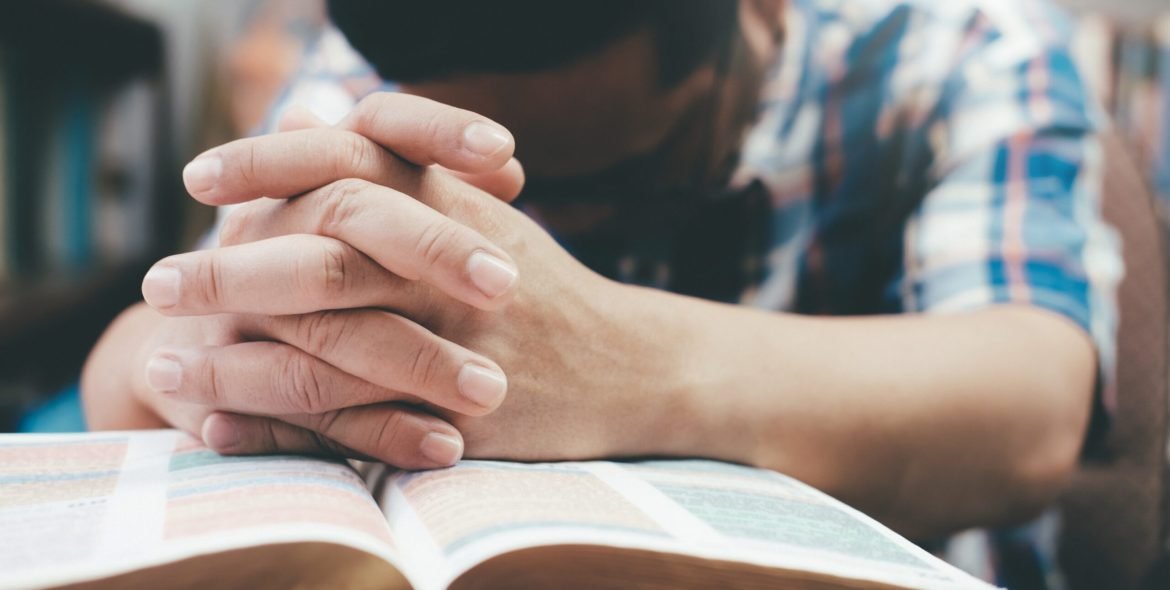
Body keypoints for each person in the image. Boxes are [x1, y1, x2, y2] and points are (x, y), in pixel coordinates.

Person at [82, 0, 1121, 557]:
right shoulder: (369, 84)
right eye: (509, 182)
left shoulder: (963, 47)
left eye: (629, 172)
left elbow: (1031, 407)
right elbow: (130, 368)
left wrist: (603, 355)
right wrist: (217, 350)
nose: (558, 218)